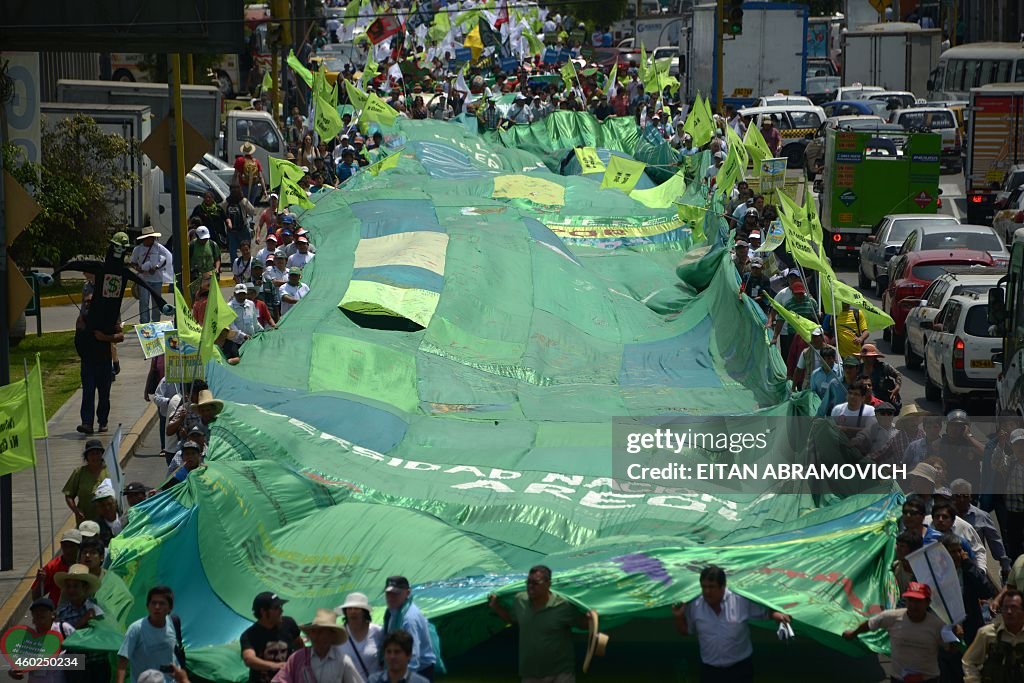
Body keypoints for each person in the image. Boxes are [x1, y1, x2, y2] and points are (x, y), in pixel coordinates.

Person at [672, 565, 791, 682]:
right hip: (710, 672)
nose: (707, 591)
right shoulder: (695, 605)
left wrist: (778, 615)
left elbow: (764, 612)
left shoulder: (740, 601)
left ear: (723, 586)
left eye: (712, 587)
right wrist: (678, 617)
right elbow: (685, 631)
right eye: (704, 587)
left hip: (740, 670)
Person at [488, 565, 593, 682]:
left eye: (535, 583)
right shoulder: (520, 600)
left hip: (561, 673)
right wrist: (496, 607)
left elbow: (581, 624)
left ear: (548, 584)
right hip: (530, 673)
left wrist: (590, 619)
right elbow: (513, 620)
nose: (530, 586)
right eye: (528, 582)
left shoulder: (563, 606)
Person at [843, 582, 956, 683]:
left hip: (928, 680)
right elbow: (870, 624)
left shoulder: (938, 625)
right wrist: (853, 633)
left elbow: (951, 649)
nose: (913, 605)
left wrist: (955, 635)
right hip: (899, 678)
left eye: (918, 601)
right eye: (910, 600)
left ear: (927, 603)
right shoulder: (891, 617)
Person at [74, 293, 123, 435]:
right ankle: (87, 423)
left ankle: (103, 421)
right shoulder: (82, 318)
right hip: (87, 362)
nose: (87, 304)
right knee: (87, 392)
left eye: (90, 301)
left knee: (104, 394)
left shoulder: (108, 317)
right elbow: (77, 339)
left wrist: (104, 337)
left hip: (104, 361)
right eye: (85, 302)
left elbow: (120, 336)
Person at [272, 609, 363, 683]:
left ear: (331, 635)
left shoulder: (342, 661)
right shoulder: (297, 658)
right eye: (313, 631)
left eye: (321, 632)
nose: (315, 636)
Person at [116, 586, 183, 683]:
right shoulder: (136, 629)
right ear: (148, 606)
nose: (157, 607)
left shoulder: (173, 622)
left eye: (162, 603)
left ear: (170, 608)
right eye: (154, 603)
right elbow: (122, 662)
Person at [950, 478, 1013, 581]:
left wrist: (1004, 563)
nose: (962, 500)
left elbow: (995, 541)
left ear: (970, 497)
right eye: (958, 496)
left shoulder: (982, 516)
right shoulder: (946, 516)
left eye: (965, 496)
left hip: (975, 563)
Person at [7, 597, 75, 683]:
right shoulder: (27, 638)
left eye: (43, 610)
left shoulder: (64, 629)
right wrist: (14, 671)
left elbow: (81, 651)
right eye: (35, 612)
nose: (39, 613)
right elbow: (17, 662)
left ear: (53, 614)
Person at [963, 589, 1024, 683]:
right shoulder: (987, 633)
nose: (1009, 612)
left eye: (1014, 607)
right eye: (1005, 607)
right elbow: (969, 662)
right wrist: (973, 680)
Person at [241, 592, 303, 683]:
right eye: (277, 608)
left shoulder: (289, 624)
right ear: (263, 612)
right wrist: (275, 666)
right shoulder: (249, 635)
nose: (281, 611)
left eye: (281, 607)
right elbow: (249, 659)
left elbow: (300, 647)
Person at [381, 576, 436, 680]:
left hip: (420, 671)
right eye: (388, 594)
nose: (391, 597)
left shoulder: (409, 619)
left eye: (396, 593)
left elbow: (413, 657)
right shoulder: (393, 611)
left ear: (407, 593)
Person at [336, 593, 383, 680]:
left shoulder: (378, 631)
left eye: (357, 608)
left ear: (364, 611)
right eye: (349, 608)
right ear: (345, 611)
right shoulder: (338, 634)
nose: (353, 611)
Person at [130, 226, 172, 324]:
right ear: (145, 239)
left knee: (156, 302)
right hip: (144, 279)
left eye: (153, 237)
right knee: (144, 301)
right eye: (150, 238)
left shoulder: (158, 247)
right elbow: (133, 262)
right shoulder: (138, 249)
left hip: (157, 280)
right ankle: (144, 322)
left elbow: (166, 259)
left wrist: (156, 267)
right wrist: (138, 269)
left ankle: (156, 322)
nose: (152, 239)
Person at [63, 440, 109, 524]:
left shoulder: (109, 471)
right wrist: (76, 511)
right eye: (92, 454)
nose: (95, 457)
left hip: (107, 519)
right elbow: (68, 495)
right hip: (85, 521)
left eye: (97, 453)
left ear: (102, 455)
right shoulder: (79, 473)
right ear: (86, 457)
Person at [31, 529, 80, 605]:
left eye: (72, 546)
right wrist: (40, 581)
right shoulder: (52, 566)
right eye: (65, 546)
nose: (68, 550)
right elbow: (35, 597)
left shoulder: (85, 564)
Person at [859, 344, 903, 413]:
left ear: (874, 357)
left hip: (883, 400)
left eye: (868, 357)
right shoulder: (859, 369)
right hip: (867, 401)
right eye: (864, 357)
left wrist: (896, 388)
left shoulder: (883, 367)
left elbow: (898, 375)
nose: (866, 359)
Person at [91, 478, 123, 546]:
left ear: (116, 503)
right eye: (102, 505)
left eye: (109, 504)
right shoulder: (95, 527)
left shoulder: (127, 521)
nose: (107, 508)